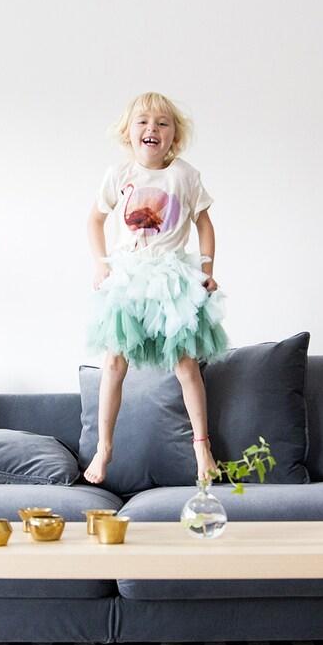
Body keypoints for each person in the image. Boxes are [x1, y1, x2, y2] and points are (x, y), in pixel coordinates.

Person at [84, 91, 227, 485]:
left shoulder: (184, 175)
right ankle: (104, 447)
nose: (153, 129)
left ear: (174, 137)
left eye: (163, 124)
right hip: (128, 278)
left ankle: (202, 446)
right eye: (143, 122)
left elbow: (204, 224)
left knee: (185, 364)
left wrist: (206, 268)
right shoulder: (119, 176)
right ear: (129, 133)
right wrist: (101, 264)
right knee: (114, 363)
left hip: (170, 277)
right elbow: (94, 220)